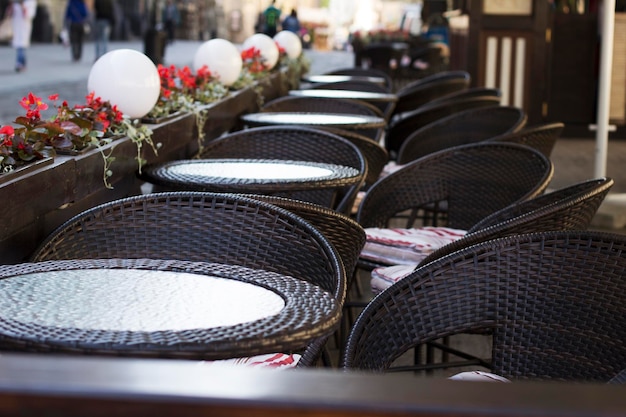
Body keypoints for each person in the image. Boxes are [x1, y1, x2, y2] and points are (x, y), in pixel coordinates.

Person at [9, 0, 37, 72]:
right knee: (20, 46)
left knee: (21, 45)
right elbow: (10, 14)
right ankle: (23, 64)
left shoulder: (31, 2)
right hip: (16, 26)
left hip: (24, 26)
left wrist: (22, 5)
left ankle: (19, 63)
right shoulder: (16, 3)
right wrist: (11, 4)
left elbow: (28, 14)